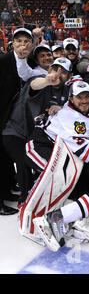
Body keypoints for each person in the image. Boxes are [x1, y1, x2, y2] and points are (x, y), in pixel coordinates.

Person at [22, 80, 89, 251]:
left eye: (86, 96)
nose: (84, 100)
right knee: (53, 178)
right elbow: (87, 153)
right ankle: (31, 218)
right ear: (71, 99)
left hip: (62, 151)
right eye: (79, 97)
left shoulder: (85, 110)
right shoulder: (70, 117)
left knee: (72, 185)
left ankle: (54, 217)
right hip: (39, 145)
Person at [2, 57, 73, 203]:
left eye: (64, 72)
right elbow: (35, 85)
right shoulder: (40, 80)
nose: (58, 74)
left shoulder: (67, 91)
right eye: (55, 69)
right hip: (14, 132)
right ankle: (27, 201)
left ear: (69, 76)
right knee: (24, 161)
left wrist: (62, 109)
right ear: (49, 70)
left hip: (35, 136)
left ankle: (39, 193)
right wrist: (47, 80)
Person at [0, 27, 34, 215]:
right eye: (19, 41)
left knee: (5, 159)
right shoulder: (3, 60)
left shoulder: (27, 62)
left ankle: (6, 192)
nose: (23, 44)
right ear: (12, 43)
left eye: (26, 41)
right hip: (2, 115)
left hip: (9, 119)